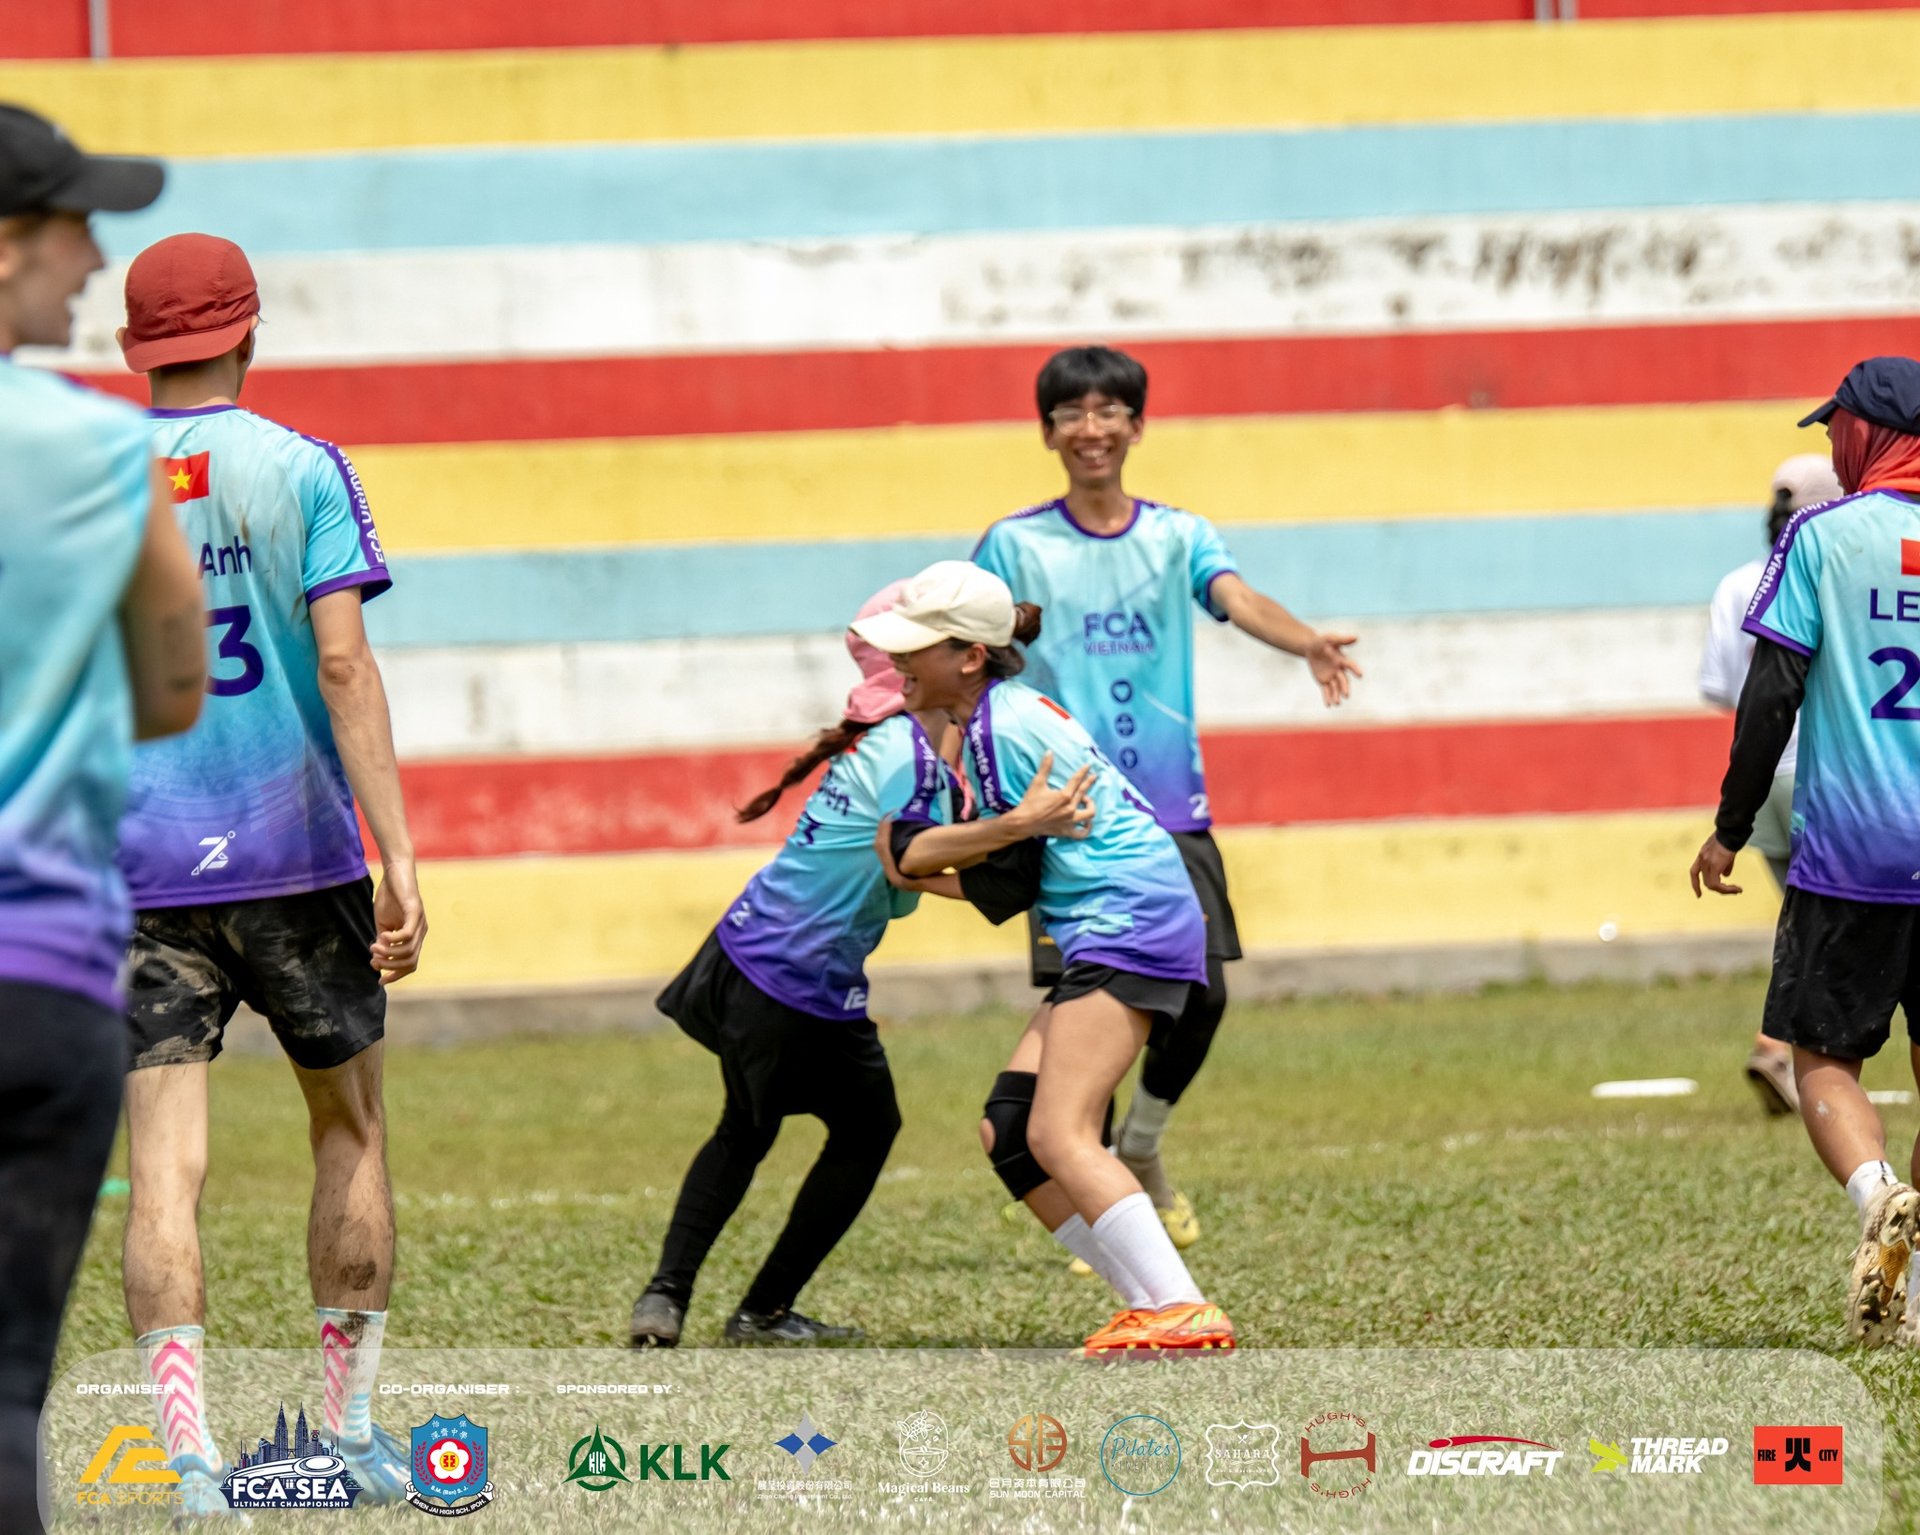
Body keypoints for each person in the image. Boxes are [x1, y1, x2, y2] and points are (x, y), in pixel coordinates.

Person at [111, 234, 426, 1510]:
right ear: (250, 332)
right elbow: (343, 665)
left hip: (137, 867)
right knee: (347, 1130)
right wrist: (397, 847)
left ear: (140, 348)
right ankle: (347, 1439)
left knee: (164, 1165)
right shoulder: (302, 468)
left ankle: (191, 1464)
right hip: (297, 856)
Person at [971, 345, 1360, 1253]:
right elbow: (974, 644)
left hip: (1167, 807)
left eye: (1110, 411)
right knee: (1085, 1013)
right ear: (1048, 432)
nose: (1092, 428)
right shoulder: (1014, 543)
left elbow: (1236, 596)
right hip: (1063, 813)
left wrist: (1303, 642)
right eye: (1072, 413)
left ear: (1137, 427)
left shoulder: (1177, 534)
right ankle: (1102, 1213)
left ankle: (1138, 1147)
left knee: (1206, 993)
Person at [629, 584, 1064, 1347]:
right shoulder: (912, 764)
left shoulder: (884, 740)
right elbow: (909, 866)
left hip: (745, 949)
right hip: (793, 977)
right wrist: (1025, 828)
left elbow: (873, 636)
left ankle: (668, 1297)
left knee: (751, 1127)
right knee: (856, 1128)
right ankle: (755, 1310)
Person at [871, 561, 1237, 1356]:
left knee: (1061, 1131)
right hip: (1111, 923)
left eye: (914, 648)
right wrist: (923, 868)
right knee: (1007, 1131)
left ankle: (1180, 1306)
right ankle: (1148, 1302)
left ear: (969, 655)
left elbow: (994, 852)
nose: (896, 663)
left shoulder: (1003, 726)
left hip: (1128, 921)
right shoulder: (985, 724)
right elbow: (1011, 874)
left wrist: (922, 855)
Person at [0, 105, 194, 1535]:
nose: (93, 257)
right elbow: (174, 685)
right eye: (75, 225)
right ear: (9, 247)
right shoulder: (97, 451)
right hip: (38, 971)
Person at [1691, 356, 1920, 1346]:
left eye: (1837, 428)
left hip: (1852, 856)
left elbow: (1770, 693)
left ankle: (1876, 1191)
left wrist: (1732, 824)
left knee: (1823, 1056)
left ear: (1866, 435)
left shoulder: (1822, 538)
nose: (1830, 441)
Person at [1699, 453, 1842, 1115]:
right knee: (1827, 921)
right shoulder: (1837, 571)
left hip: (1761, 777)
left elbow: (1724, 691)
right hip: (1829, 771)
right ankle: (1782, 1045)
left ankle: (1785, 1047)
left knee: (1800, 912)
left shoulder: (1736, 586)